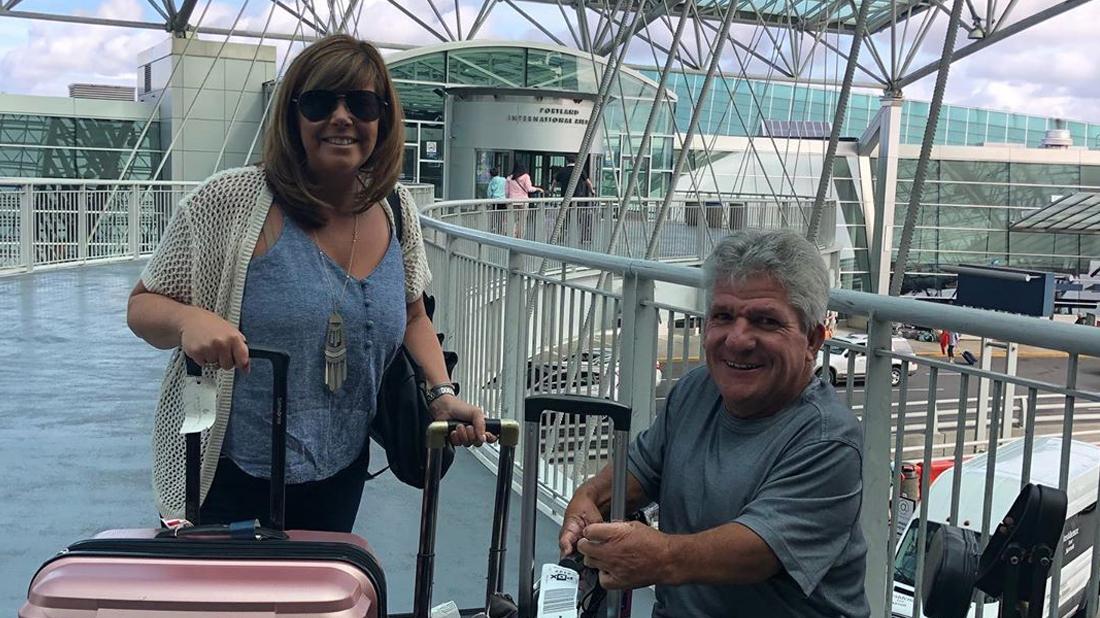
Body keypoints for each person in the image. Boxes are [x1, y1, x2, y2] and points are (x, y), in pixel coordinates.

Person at [127, 34, 492, 533]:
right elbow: (144, 306)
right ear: (292, 116)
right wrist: (189, 319)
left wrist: (441, 393)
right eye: (320, 102)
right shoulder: (227, 203)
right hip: (228, 476)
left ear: (382, 119)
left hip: (340, 470)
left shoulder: (396, 210)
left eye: (362, 103)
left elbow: (413, 314)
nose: (342, 118)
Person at [559, 229, 869, 617]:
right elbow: (634, 475)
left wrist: (661, 556)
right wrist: (588, 501)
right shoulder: (695, 390)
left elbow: (757, 552)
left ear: (812, 340)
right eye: (723, 316)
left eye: (766, 321)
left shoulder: (828, 439)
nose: (737, 340)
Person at [550, 154, 596, 243]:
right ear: (576, 161)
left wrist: (552, 191)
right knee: (579, 217)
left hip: (566, 198)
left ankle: (561, 237)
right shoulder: (579, 171)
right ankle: (581, 237)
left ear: (567, 161)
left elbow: (554, 182)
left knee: (564, 218)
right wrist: (592, 191)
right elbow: (588, 183)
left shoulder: (562, 171)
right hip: (578, 198)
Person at [505, 162, 543, 237]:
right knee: (522, 221)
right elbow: (529, 189)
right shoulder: (525, 176)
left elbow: (506, 192)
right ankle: (520, 236)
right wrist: (538, 189)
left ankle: (512, 235)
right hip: (524, 201)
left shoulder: (509, 178)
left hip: (512, 201)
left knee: (513, 220)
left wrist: (507, 200)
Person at [486, 167, 507, 234]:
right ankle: (501, 229)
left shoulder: (492, 181)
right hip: (503, 201)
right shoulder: (504, 180)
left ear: (490, 174)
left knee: (494, 215)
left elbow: (489, 193)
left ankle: (494, 228)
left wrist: (489, 201)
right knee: (502, 215)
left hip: (495, 201)